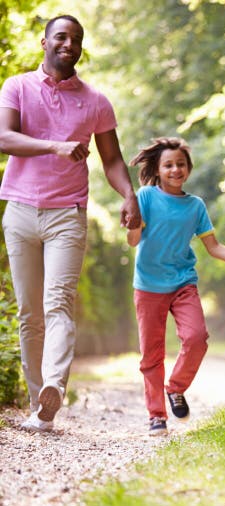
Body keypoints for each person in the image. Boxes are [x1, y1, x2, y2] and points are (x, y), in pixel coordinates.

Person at [0, 15, 141, 433]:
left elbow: (112, 160)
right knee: (30, 313)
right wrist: (53, 146)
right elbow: (4, 137)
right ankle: (37, 402)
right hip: (21, 211)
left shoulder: (95, 101)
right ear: (44, 41)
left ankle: (54, 389)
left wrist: (129, 195)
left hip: (67, 215)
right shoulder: (18, 87)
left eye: (76, 39)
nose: (69, 44)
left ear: (81, 48)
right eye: (61, 37)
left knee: (57, 303)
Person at [127, 137, 225, 436]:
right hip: (148, 285)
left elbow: (213, 247)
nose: (175, 169)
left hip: (182, 283)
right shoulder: (146, 197)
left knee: (197, 337)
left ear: (188, 168)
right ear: (158, 170)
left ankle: (175, 388)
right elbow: (133, 240)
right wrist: (132, 222)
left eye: (181, 164)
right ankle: (156, 415)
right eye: (169, 165)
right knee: (151, 353)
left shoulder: (195, 205)